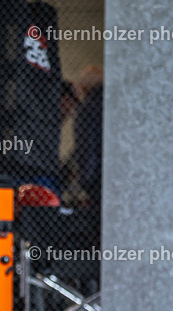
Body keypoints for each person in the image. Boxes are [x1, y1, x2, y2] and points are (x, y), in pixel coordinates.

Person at [73, 65, 104, 207]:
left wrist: (87, 181)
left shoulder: (86, 110)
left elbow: (87, 147)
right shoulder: (115, 108)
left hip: (96, 179)